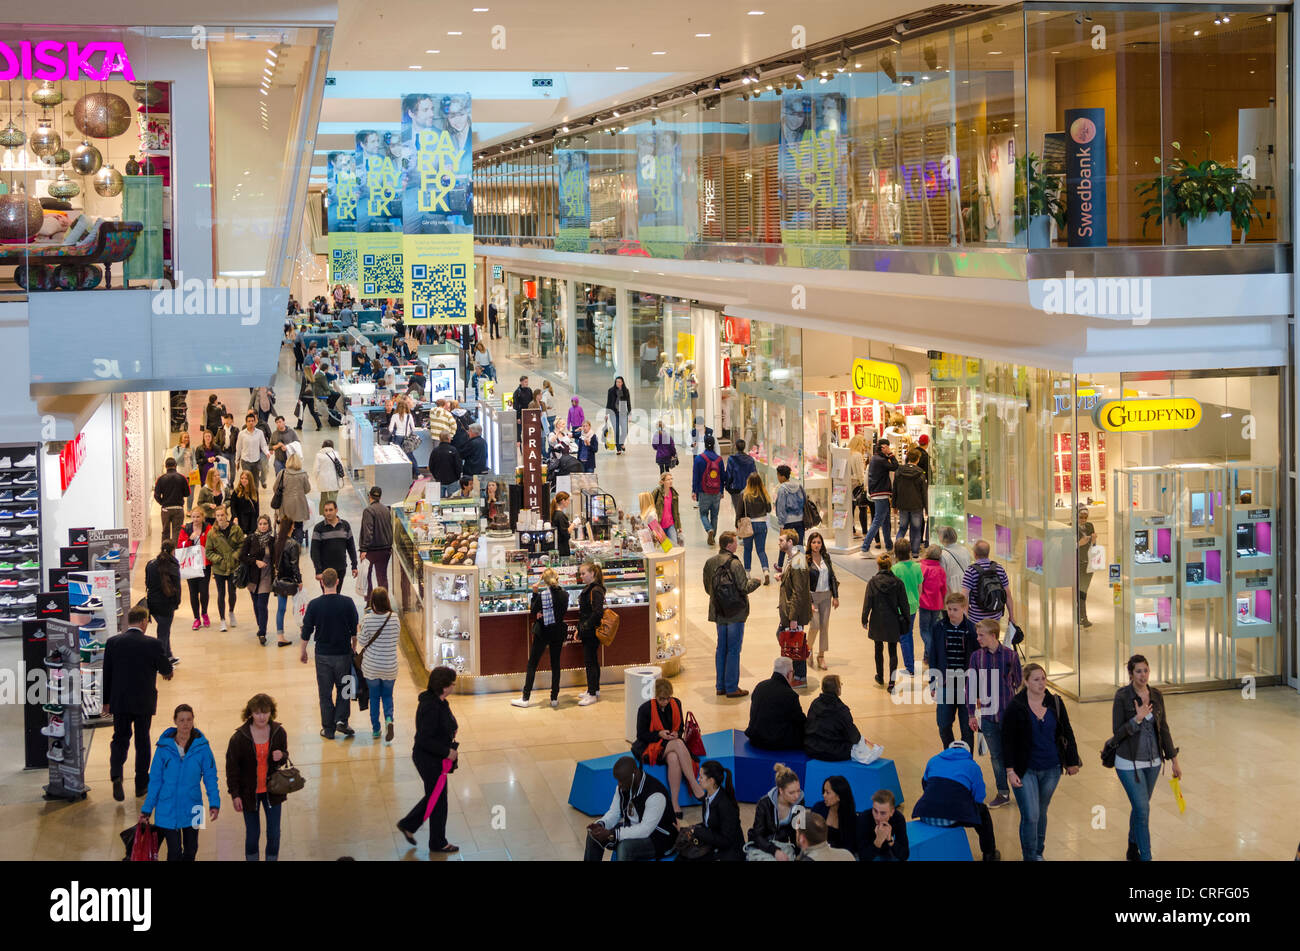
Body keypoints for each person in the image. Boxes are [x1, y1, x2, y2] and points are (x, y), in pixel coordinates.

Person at [1001, 662, 1082, 861]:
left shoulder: (1055, 702)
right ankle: (1029, 856)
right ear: (1026, 682)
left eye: (1043, 678)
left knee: (1041, 811)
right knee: (1031, 815)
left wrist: (1072, 761)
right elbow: (1007, 740)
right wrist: (1010, 771)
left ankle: (1038, 852)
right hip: (1025, 768)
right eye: (1036, 679)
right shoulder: (1016, 706)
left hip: (1051, 768)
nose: (1041, 683)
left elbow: (1067, 731)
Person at [1111, 654, 1181, 861]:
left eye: (1146, 670)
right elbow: (1117, 732)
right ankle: (1146, 856)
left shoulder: (1157, 695)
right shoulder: (1122, 696)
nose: (1143, 675)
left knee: (1139, 808)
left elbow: (1164, 728)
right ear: (1131, 674)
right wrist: (1137, 719)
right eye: (1138, 671)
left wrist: (1174, 760)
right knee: (1143, 808)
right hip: (1128, 762)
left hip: (1153, 762)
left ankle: (1133, 846)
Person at [103, 605, 174, 802]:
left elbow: (107, 674)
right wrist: (168, 674)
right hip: (143, 701)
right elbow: (166, 669)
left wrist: (106, 702)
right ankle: (141, 784)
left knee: (120, 738)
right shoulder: (152, 644)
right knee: (142, 741)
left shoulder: (113, 642)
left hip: (120, 701)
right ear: (144, 622)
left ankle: (116, 772)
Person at [140, 704, 220, 861]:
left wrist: (214, 803)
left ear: (193, 721)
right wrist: (147, 809)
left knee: (192, 850)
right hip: (167, 807)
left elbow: (211, 776)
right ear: (175, 722)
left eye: (189, 720)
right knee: (174, 852)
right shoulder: (163, 748)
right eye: (182, 720)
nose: (185, 724)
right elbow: (155, 780)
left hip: (195, 806)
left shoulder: (203, 747)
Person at [397, 667, 461, 853]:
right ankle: (435, 841)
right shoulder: (430, 707)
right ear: (444, 686)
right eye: (451, 683)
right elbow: (423, 739)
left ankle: (412, 827)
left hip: (434, 759)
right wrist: (446, 752)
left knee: (436, 797)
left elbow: (446, 723)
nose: (453, 686)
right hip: (429, 760)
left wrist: (451, 729)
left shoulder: (439, 702)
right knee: (438, 800)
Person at [967, 616, 1023, 808]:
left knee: (1014, 752)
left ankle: (1021, 788)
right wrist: (971, 714)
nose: (978, 638)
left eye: (981, 635)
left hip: (1009, 716)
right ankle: (1003, 792)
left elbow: (1018, 683)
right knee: (996, 756)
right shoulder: (976, 657)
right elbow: (971, 686)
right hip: (989, 717)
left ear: (993, 635)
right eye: (977, 635)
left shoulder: (1010, 656)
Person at [225, 693, 289, 861]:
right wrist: (235, 794)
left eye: (266, 712)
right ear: (250, 713)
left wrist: (281, 755)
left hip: (273, 791)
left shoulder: (279, 732)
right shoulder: (239, 738)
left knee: (274, 833)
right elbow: (232, 769)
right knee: (253, 834)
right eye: (258, 712)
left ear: (271, 712)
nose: (262, 717)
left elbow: (284, 756)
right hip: (249, 793)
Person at [912, 740, 1000, 861]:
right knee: (983, 812)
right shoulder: (972, 766)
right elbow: (979, 798)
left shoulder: (933, 760)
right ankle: (989, 853)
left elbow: (925, 784)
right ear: (968, 752)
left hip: (925, 814)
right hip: (953, 818)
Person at [299, 567, 360, 739]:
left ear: (321, 582)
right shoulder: (347, 602)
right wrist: (353, 646)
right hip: (342, 653)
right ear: (338, 581)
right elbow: (354, 628)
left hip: (323, 655)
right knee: (344, 689)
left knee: (324, 692)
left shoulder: (315, 605)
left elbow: (306, 631)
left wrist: (303, 651)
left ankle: (328, 728)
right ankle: (342, 720)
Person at [632, 678, 706, 818]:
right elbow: (641, 735)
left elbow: (680, 728)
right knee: (678, 743)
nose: (665, 701)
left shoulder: (676, 703)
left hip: (670, 744)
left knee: (673, 758)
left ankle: (674, 803)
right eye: (661, 699)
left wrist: (676, 733)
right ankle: (694, 784)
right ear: (655, 696)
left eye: (667, 698)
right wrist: (659, 734)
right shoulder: (645, 709)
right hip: (652, 746)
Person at [584, 757, 678, 862]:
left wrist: (613, 834)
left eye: (622, 780)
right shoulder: (624, 786)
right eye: (618, 780)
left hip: (660, 839)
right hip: (635, 827)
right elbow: (614, 813)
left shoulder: (655, 794)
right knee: (594, 835)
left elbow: (645, 830)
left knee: (625, 847)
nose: (619, 784)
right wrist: (601, 824)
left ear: (634, 774)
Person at [703, 531, 762, 698]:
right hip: (735, 612)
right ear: (729, 545)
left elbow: (708, 588)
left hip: (719, 611)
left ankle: (720, 686)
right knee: (734, 649)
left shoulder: (710, 562)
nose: (737, 545)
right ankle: (731, 687)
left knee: (721, 648)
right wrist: (756, 582)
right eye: (735, 542)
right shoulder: (735, 564)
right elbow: (744, 587)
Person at [511, 568, 569, 708]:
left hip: (543, 632)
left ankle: (525, 698)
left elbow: (533, 610)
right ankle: (554, 698)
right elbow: (561, 611)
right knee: (555, 665)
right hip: (558, 632)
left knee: (532, 664)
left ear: (544, 581)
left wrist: (534, 593)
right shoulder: (565, 595)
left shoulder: (543, 596)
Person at [932, 591, 979, 750]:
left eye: (955, 609)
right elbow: (933, 655)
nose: (951, 613)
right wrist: (932, 681)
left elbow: (977, 660)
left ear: (964, 608)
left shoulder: (972, 630)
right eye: (949, 609)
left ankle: (966, 761)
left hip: (966, 685)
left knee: (967, 728)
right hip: (946, 683)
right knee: (943, 724)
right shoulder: (939, 627)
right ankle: (950, 754)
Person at [677, 760, 744, 861]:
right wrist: (687, 829)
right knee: (682, 856)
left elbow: (726, 840)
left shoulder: (725, 805)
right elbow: (709, 824)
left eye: (701, 777)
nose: (698, 779)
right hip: (715, 843)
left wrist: (696, 831)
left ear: (711, 781)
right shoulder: (707, 797)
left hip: (730, 851)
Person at [804, 674, 880, 762]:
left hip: (811, 748)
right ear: (838, 689)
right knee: (855, 746)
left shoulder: (815, 704)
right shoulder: (841, 710)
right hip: (832, 752)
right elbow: (854, 737)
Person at [862, 552, 909, 692]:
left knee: (878, 648)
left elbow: (867, 602)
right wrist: (906, 619)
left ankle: (880, 675)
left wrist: (864, 619)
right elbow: (904, 604)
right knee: (893, 650)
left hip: (877, 619)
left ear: (878, 565)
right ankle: (892, 682)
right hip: (893, 620)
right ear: (890, 566)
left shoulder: (872, 582)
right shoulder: (898, 583)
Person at [359, 587, 400, 741]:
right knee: (388, 696)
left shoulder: (368, 619)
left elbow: (362, 642)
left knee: (375, 697)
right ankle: (389, 719)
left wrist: (359, 629)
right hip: (390, 666)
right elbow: (396, 638)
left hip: (371, 667)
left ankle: (376, 729)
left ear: (373, 603)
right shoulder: (394, 618)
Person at [746, 762, 804, 861]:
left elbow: (798, 831)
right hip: (764, 844)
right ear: (781, 791)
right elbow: (758, 835)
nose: (796, 796)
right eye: (791, 792)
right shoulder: (764, 803)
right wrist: (775, 851)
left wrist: (801, 855)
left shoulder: (800, 801)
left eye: (798, 790)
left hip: (784, 844)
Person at [775, 528, 812, 686]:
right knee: (790, 641)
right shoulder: (791, 559)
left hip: (793, 612)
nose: (779, 543)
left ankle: (800, 677)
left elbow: (798, 591)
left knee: (795, 644)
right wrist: (782, 576)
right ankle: (796, 674)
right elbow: (794, 580)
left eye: (782, 540)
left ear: (790, 542)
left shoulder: (798, 561)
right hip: (788, 610)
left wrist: (793, 618)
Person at [745, 657, 806, 750]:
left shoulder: (760, 686)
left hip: (754, 737)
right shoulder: (789, 695)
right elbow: (800, 721)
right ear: (789, 674)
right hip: (773, 742)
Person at [204, 505, 245, 633]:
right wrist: (219, 560)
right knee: (221, 593)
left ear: (226, 515)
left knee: (232, 592)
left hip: (233, 566)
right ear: (215, 517)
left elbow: (241, 545)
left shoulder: (236, 529)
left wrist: (235, 556)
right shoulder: (212, 533)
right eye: (218, 516)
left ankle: (231, 612)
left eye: (222, 515)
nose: (220, 518)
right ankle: (222, 619)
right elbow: (208, 551)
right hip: (219, 569)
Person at [962, 538, 1016, 629]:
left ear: (975, 554)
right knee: (993, 640)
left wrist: (963, 619)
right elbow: (1008, 595)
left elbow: (964, 597)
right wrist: (1011, 616)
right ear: (988, 553)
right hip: (995, 618)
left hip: (977, 619)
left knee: (979, 641)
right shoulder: (999, 569)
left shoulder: (971, 571)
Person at [805, 530, 839, 671]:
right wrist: (809, 602)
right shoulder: (805, 559)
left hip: (826, 596)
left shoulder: (826, 557)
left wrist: (835, 596)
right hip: (812, 596)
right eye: (814, 542)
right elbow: (804, 583)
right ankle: (808, 649)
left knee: (824, 626)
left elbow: (832, 577)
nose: (816, 545)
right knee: (815, 625)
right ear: (810, 544)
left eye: (819, 542)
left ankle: (821, 656)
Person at [239, 514, 276, 645]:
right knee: (256, 605)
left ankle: (262, 632)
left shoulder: (272, 540)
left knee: (262, 605)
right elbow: (242, 556)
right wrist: (255, 561)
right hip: (253, 577)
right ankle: (260, 625)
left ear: (269, 525)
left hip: (266, 577)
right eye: (260, 524)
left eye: (265, 524)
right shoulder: (251, 539)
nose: (262, 526)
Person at [145, 542, 182, 666]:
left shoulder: (150, 564)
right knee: (163, 633)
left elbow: (147, 583)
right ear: (173, 551)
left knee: (164, 630)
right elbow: (177, 587)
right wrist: (176, 603)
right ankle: (161, 662)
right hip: (166, 604)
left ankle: (169, 655)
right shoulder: (172, 566)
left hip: (152, 603)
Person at [890, 538, 922, 677]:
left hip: (899, 608)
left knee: (904, 637)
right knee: (909, 635)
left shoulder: (895, 569)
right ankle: (910, 664)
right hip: (913, 606)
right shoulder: (916, 567)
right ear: (909, 551)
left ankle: (910, 667)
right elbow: (920, 586)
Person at [309, 499, 358, 590]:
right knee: (327, 595)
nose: (328, 513)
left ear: (336, 510)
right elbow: (314, 551)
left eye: (331, 510)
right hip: (325, 570)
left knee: (337, 594)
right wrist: (318, 570)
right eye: (326, 510)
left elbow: (351, 547)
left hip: (341, 568)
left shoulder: (345, 526)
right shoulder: (319, 528)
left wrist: (354, 565)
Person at [575, 561, 605, 707]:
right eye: (580, 574)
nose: (581, 576)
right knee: (592, 660)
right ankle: (593, 689)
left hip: (591, 631)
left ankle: (592, 693)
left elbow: (598, 612)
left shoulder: (596, 590)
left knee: (590, 662)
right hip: (588, 630)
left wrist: (585, 626)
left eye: (584, 573)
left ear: (592, 573)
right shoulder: (591, 588)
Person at [271, 516, 302, 647]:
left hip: (280, 580)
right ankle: (302, 631)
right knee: (299, 606)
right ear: (290, 527)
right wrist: (299, 580)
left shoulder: (276, 542)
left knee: (281, 609)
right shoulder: (293, 544)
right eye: (293, 525)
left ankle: (280, 636)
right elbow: (294, 565)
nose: (294, 527)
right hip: (291, 580)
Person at [178, 510, 211, 630]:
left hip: (204, 564)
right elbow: (180, 545)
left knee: (204, 591)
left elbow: (211, 543)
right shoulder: (185, 528)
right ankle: (196, 618)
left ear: (202, 517)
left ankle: (204, 613)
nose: (196, 519)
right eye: (193, 517)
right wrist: (190, 540)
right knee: (193, 592)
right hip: (190, 564)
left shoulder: (208, 528)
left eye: (198, 517)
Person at [893, 447, 929, 557]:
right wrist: (927, 508)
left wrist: (894, 505)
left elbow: (895, 489)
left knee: (902, 528)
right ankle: (915, 552)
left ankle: (897, 551)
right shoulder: (920, 474)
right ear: (917, 459)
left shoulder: (899, 471)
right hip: (916, 505)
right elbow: (924, 493)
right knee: (916, 529)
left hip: (902, 505)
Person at [863, 438, 897, 553]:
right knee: (878, 521)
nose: (889, 449)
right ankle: (865, 547)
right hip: (881, 494)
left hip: (879, 493)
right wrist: (891, 455)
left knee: (885, 521)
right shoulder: (880, 460)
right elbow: (895, 466)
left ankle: (889, 546)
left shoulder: (876, 458)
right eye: (887, 447)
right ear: (883, 447)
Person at [690, 434, 724, 547]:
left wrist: (694, 490)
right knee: (715, 515)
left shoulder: (699, 458)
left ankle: (709, 529)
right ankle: (713, 538)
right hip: (716, 492)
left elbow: (696, 476)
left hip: (703, 491)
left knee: (703, 514)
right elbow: (722, 477)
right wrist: (722, 491)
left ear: (704, 444)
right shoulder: (719, 460)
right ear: (714, 444)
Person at [359, 485, 394, 596]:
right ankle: (383, 602)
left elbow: (368, 531)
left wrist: (364, 549)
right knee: (382, 577)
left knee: (367, 576)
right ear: (380, 497)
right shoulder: (386, 509)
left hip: (372, 550)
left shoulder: (368, 511)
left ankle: (369, 602)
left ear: (369, 496)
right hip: (386, 549)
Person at [810, 775, 858, 854]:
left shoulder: (850, 818)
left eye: (828, 793)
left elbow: (850, 848)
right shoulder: (818, 808)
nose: (824, 795)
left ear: (839, 796)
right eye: (824, 791)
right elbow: (810, 834)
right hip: (818, 852)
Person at [857, 789, 910, 861]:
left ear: (891, 812)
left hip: (886, 851)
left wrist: (890, 840)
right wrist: (878, 840)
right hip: (868, 853)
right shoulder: (864, 819)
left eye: (883, 813)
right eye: (875, 811)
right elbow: (863, 857)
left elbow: (905, 855)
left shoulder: (898, 818)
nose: (878, 817)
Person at [738, 472, 772, 585]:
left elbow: (739, 512)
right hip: (762, 524)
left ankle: (747, 573)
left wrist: (737, 524)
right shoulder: (764, 494)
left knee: (747, 549)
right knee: (761, 550)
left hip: (748, 525)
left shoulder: (744, 494)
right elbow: (769, 509)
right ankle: (766, 571)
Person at [274, 451, 312, 547]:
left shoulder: (282, 473)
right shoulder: (303, 474)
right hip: (299, 504)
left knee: (285, 525)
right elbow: (307, 489)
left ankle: (284, 545)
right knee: (299, 526)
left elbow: (275, 488)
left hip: (285, 504)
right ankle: (297, 546)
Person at [918, 545, 947, 666]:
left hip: (924, 603)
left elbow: (919, 585)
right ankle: (927, 657)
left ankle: (932, 653)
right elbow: (943, 588)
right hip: (937, 604)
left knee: (924, 630)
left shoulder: (922, 567)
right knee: (931, 629)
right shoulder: (940, 570)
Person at [153, 457, 190, 548]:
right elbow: (187, 493)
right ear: (175, 466)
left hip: (166, 509)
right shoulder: (182, 478)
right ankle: (176, 553)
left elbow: (156, 495)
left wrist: (163, 503)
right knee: (177, 532)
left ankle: (165, 552)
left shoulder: (161, 479)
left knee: (165, 532)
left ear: (165, 466)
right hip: (178, 508)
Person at [720, 441, 756, 529]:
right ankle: (747, 531)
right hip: (749, 490)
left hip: (736, 489)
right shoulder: (750, 460)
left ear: (736, 447)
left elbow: (729, 474)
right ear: (744, 447)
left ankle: (741, 531)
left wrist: (727, 487)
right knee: (748, 511)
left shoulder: (732, 459)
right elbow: (755, 475)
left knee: (738, 511)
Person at [388, 396, 420, 480]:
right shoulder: (409, 416)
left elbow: (390, 429)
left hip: (397, 438)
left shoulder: (394, 416)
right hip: (407, 438)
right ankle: (417, 473)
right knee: (410, 456)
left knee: (397, 456)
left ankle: (397, 474)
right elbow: (413, 428)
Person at [235, 411, 270, 485]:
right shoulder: (241, 434)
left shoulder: (260, 433)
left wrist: (267, 452)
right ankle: (247, 496)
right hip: (245, 461)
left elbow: (263, 445)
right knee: (247, 481)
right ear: (246, 422)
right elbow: (238, 448)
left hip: (256, 461)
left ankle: (255, 496)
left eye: (252, 421)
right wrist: (237, 461)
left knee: (255, 482)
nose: (251, 423)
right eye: (249, 421)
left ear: (255, 422)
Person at [1076, 504, 1096, 628]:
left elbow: (1094, 546)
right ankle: (1083, 617)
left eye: (1085, 517)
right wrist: (1079, 543)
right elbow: (1065, 547)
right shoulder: (1070, 527)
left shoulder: (1090, 526)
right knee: (1080, 592)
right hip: (1077, 564)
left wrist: (1093, 542)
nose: (1083, 520)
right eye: (1081, 517)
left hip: (1088, 563)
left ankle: (1080, 616)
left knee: (1084, 591)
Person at [847, 434, 870, 537]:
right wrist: (864, 485)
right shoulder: (858, 455)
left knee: (850, 509)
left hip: (848, 484)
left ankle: (852, 530)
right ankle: (865, 531)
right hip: (856, 484)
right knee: (862, 508)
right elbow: (860, 473)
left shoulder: (847, 453)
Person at [650, 470, 681, 546]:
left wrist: (679, 526)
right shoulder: (656, 492)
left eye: (671, 479)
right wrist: (652, 526)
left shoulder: (674, 493)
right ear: (662, 481)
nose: (670, 481)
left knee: (675, 547)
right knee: (666, 547)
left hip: (671, 525)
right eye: (668, 479)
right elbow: (650, 507)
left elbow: (676, 511)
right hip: (658, 526)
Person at [939, 526, 972, 593]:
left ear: (942, 538)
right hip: (966, 585)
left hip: (951, 588)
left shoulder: (943, 554)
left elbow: (942, 576)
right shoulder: (965, 550)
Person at [428, 434, 462, 498]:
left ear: (440, 439)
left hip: (439, 480)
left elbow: (431, 466)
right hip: (453, 480)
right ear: (449, 439)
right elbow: (458, 465)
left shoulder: (435, 451)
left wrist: (436, 476)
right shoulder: (453, 450)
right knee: (453, 502)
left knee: (439, 502)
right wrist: (457, 477)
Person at [314, 439, 344, 509]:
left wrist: (317, 478)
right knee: (333, 499)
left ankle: (323, 513)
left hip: (323, 481)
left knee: (323, 498)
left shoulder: (318, 455)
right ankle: (332, 512)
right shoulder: (335, 454)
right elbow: (341, 466)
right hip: (334, 480)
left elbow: (316, 469)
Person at [604, 375, 631, 453]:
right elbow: (608, 402)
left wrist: (629, 413)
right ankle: (618, 448)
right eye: (616, 382)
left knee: (625, 430)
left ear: (622, 383)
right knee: (616, 430)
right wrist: (606, 414)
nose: (617, 383)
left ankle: (621, 443)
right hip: (613, 413)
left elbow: (628, 403)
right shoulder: (611, 391)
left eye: (619, 382)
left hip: (623, 413)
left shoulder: (626, 391)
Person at [228, 469, 259, 537]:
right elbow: (233, 507)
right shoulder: (236, 492)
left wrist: (256, 521)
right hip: (240, 519)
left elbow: (257, 508)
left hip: (251, 521)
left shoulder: (254, 491)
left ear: (250, 480)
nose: (243, 480)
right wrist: (235, 517)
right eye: (242, 478)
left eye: (246, 478)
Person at [511, 375, 533, 442]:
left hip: (528, 414)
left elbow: (532, 402)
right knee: (519, 432)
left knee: (528, 431)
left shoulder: (529, 390)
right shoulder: (517, 392)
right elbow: (516, 406)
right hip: (520, 414)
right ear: (521, 382)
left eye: (527, 382)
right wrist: (518, 417)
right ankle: (519, 447)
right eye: (525, 382)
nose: (527, 383)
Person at [550, 491, 571, 557]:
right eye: (568, 500)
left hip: (558, 547)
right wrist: (574, 524)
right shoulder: (560, 515)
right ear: (563, 501)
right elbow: (566, 533)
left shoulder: (555, 513)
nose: (569, 502)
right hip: (562, 549)